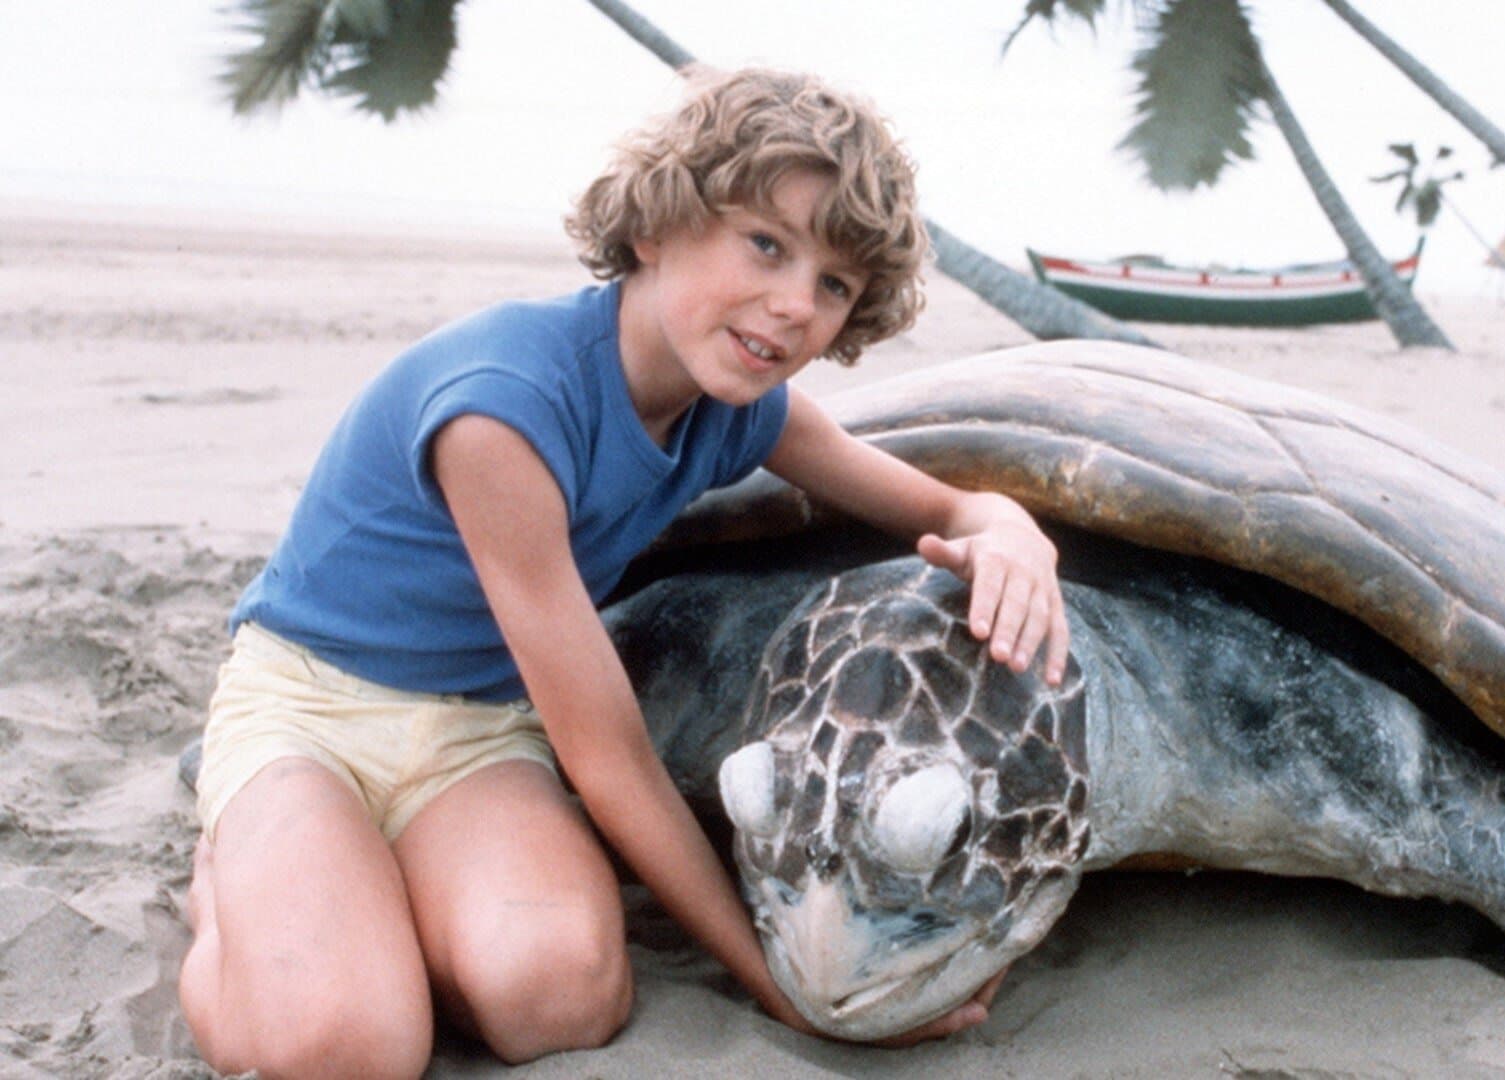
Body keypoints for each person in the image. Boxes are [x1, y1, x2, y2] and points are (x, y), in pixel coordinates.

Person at [178, 66, 1069, 1078]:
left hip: (481, 730)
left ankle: (358, 895)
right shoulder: (502, 411)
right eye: (767, 245)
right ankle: (225, 893)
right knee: (349, 1045)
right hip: (310, 710)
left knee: (558, 998)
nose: (791, 307)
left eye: (834, 285)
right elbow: (607, 758)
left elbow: (946, 505)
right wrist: (778, 988)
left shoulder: (738, 411)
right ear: (657, 225)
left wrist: (1012, 533)